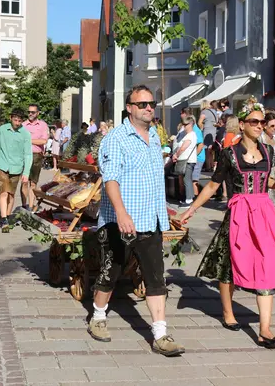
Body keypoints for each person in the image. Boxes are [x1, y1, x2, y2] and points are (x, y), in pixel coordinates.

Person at [181, 101, 275, 349]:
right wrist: (192, 209)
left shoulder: (269, 151)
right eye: (254, 122)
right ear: (242, 125)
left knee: (266, 265)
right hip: (239, 212)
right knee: (229, 263)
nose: (259, 126)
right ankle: (227, 312)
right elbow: (213, 185)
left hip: (263, 213)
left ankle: (265, 329)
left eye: (262, 122)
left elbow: (270, 182)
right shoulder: (229, 154)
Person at [88, 85, 185, 356]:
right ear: (129, 108)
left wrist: (163, 211)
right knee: (111, 272)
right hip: (122, 221)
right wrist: (121, 213)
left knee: (155, 278)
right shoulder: (116, 138)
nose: (149, 108)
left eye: (151, 103)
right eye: (142, 104)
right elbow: (110, 179)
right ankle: (97, 316)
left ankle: (160, 334)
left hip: (151, 219)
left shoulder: (154, 135)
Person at [0, 109, 32, 233]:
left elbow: (28, 154)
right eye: (15, 120)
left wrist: (26, 172)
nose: (17, 123)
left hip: (16, 167)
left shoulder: (25, 134)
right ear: (10, 118)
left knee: (11, 194)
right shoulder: (2, 129)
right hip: (2, 165)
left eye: (19, 121)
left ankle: (7, 216)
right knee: (4, 192)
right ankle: (4, 219)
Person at [21, 104, 48, 211]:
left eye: (33, 112)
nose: (30, 114)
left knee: (33, 182)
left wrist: (28, 140)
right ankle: (24, 206)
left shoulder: (43, 125)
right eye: (29, 112)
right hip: (24, 155)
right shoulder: (23, 125)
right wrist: (34, 141)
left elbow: (43, 141)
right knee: (24, 181)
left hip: (37, 155)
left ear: (38, 113)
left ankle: (31, 207)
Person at [172, 115, 198, 206]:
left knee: (187, 179)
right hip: (186, 160)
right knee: (186, 179)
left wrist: (176, 155)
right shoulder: (186, 134)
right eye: (183, 124)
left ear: (190, 124)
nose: (184, 126)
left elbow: (183, 147)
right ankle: (189, 198)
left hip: (188, 160)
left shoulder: (191, 135)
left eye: (186, 124)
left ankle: (189, 199)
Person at [198, 100, 218, 171]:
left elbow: (199, 122)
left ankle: (208, 166)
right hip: (214, 131)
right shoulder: (214, 111)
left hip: (207, 131)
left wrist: (201, 128)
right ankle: (212, 165)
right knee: (211, 150)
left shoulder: (204, 112)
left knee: (206, 150)